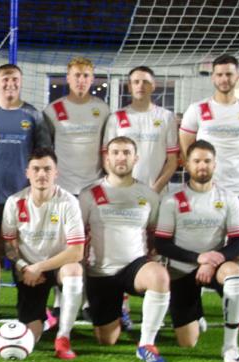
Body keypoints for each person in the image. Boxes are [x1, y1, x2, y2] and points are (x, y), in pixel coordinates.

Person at [179, 54, 239, 333]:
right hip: (204, 191)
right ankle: (196, 312)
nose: (224, 79)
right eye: (219, 74)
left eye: (229, 74)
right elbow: (186, 148)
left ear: (237, 76)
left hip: (238, 191)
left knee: (238, 253)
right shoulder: (198, 109)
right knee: (199, 247)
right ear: (212, 77)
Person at [79, 136, 170, 362]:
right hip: (101, 272)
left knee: (159, 276)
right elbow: (78, 237)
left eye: (127, 153)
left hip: (134, 267)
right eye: (116, 152)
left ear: (135, 158)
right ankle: (118, 309)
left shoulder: (148, 195)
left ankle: (146, 344)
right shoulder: (90, 194)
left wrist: (154, 259)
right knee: (106, 340)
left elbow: (153, 234)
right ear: (107, 157)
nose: (121, 157)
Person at [155, 140, 239, 362]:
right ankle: (196, 313)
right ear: (186, 164)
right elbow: (162, 244)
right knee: (187, 342)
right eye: (197, 161)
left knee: (235, 273)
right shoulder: (172, 200)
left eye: (207, 161)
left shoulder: (228, 198)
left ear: (215, 164)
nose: (202, 166)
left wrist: (212, 261)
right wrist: (198, 259)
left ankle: (231, 346)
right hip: (181, 270)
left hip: (216, 268)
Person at [102, 65, 179, 330]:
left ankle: (155, 313)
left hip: (157, 195)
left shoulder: (166, 117)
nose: (140, 86)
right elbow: (108, 157)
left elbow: (173, 159)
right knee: (124, 252)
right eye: (135, 81)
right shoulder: (117, 117)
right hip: (123, 198)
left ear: (153, 86)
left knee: (156, 252)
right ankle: (122, 309)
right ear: (129, 86)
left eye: (145, 82)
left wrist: (153, 190)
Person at [2, 147, 85, 359]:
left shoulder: (69, 202)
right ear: (27, 173)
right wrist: (22, 267)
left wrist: (39, 267)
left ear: (56, 173)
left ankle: (63, 338)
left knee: (74, 271)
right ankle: (46, 319)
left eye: (47, 169)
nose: (42, 174)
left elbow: (76, 251)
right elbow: (9, 246)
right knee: (31, 338)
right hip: (28, 272)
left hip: (56, 267)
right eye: (36, 169)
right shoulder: (14, 202)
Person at [0, 64, 51, 231]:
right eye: (5, 79)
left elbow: (45, 154)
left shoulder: (34, 115)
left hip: (23, 194)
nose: (10, 84)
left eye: (15, 79)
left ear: (21, 82)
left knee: (18, 248)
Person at [44, 56, 109, 196]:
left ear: (92, 79)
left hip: (95, 186)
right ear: (68, 78)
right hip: (62, 187)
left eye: (86, 75)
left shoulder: (103, 109)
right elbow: (45, 149)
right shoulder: (52, 110)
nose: (81, 80)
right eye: (77, 75)